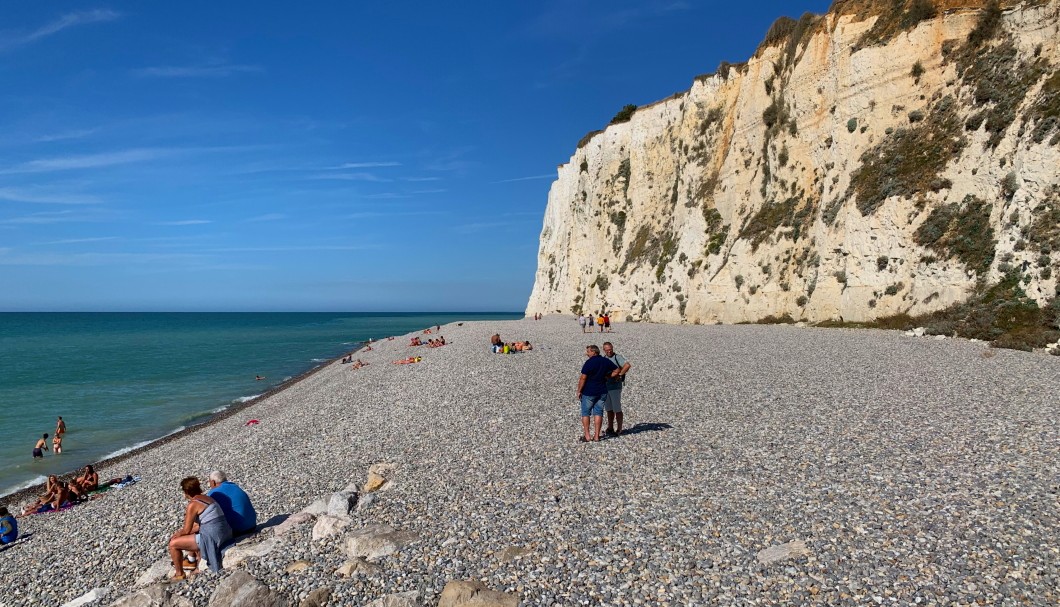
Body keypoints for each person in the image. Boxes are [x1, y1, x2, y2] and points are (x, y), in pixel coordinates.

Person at [168, 477, 232, 578]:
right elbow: (198, 526)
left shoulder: (193, 504)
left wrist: (176, 535)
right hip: (225, 532)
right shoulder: (209, 499)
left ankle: (179, 574)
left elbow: (187, 529)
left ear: (186, 492)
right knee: (194, 533)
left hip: (213, 537)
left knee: (173, 544)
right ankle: (196, 563)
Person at [576, 345, 619, 443]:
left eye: (588, 351)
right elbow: (617, 370)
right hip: (602, 390)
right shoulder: (605, 361)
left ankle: (587, 436)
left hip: (589, 391)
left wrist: (579, 390)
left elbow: (583, 378)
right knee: (598, 412)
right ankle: (596, 436)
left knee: (586, 413)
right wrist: (608, 376)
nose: (587, 353)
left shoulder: (589, 362)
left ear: (594, 352)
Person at [206, 471, 258, 536]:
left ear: (213, 482)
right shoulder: (234, 486)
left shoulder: (214, 493)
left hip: (237, 530)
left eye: (209, 482)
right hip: (252, 525)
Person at [602, 342, 632, 436]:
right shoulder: (603, 358)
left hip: (615, 387)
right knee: (609, 409)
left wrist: (620, 374)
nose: (609, 351)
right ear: (604, 350)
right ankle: (610, 427)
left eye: (610, 349)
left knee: (617, 408)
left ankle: (619, 428)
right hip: (606, 387)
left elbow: (627, 365)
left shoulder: (617, 357)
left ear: (612, 348)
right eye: (607, 350)